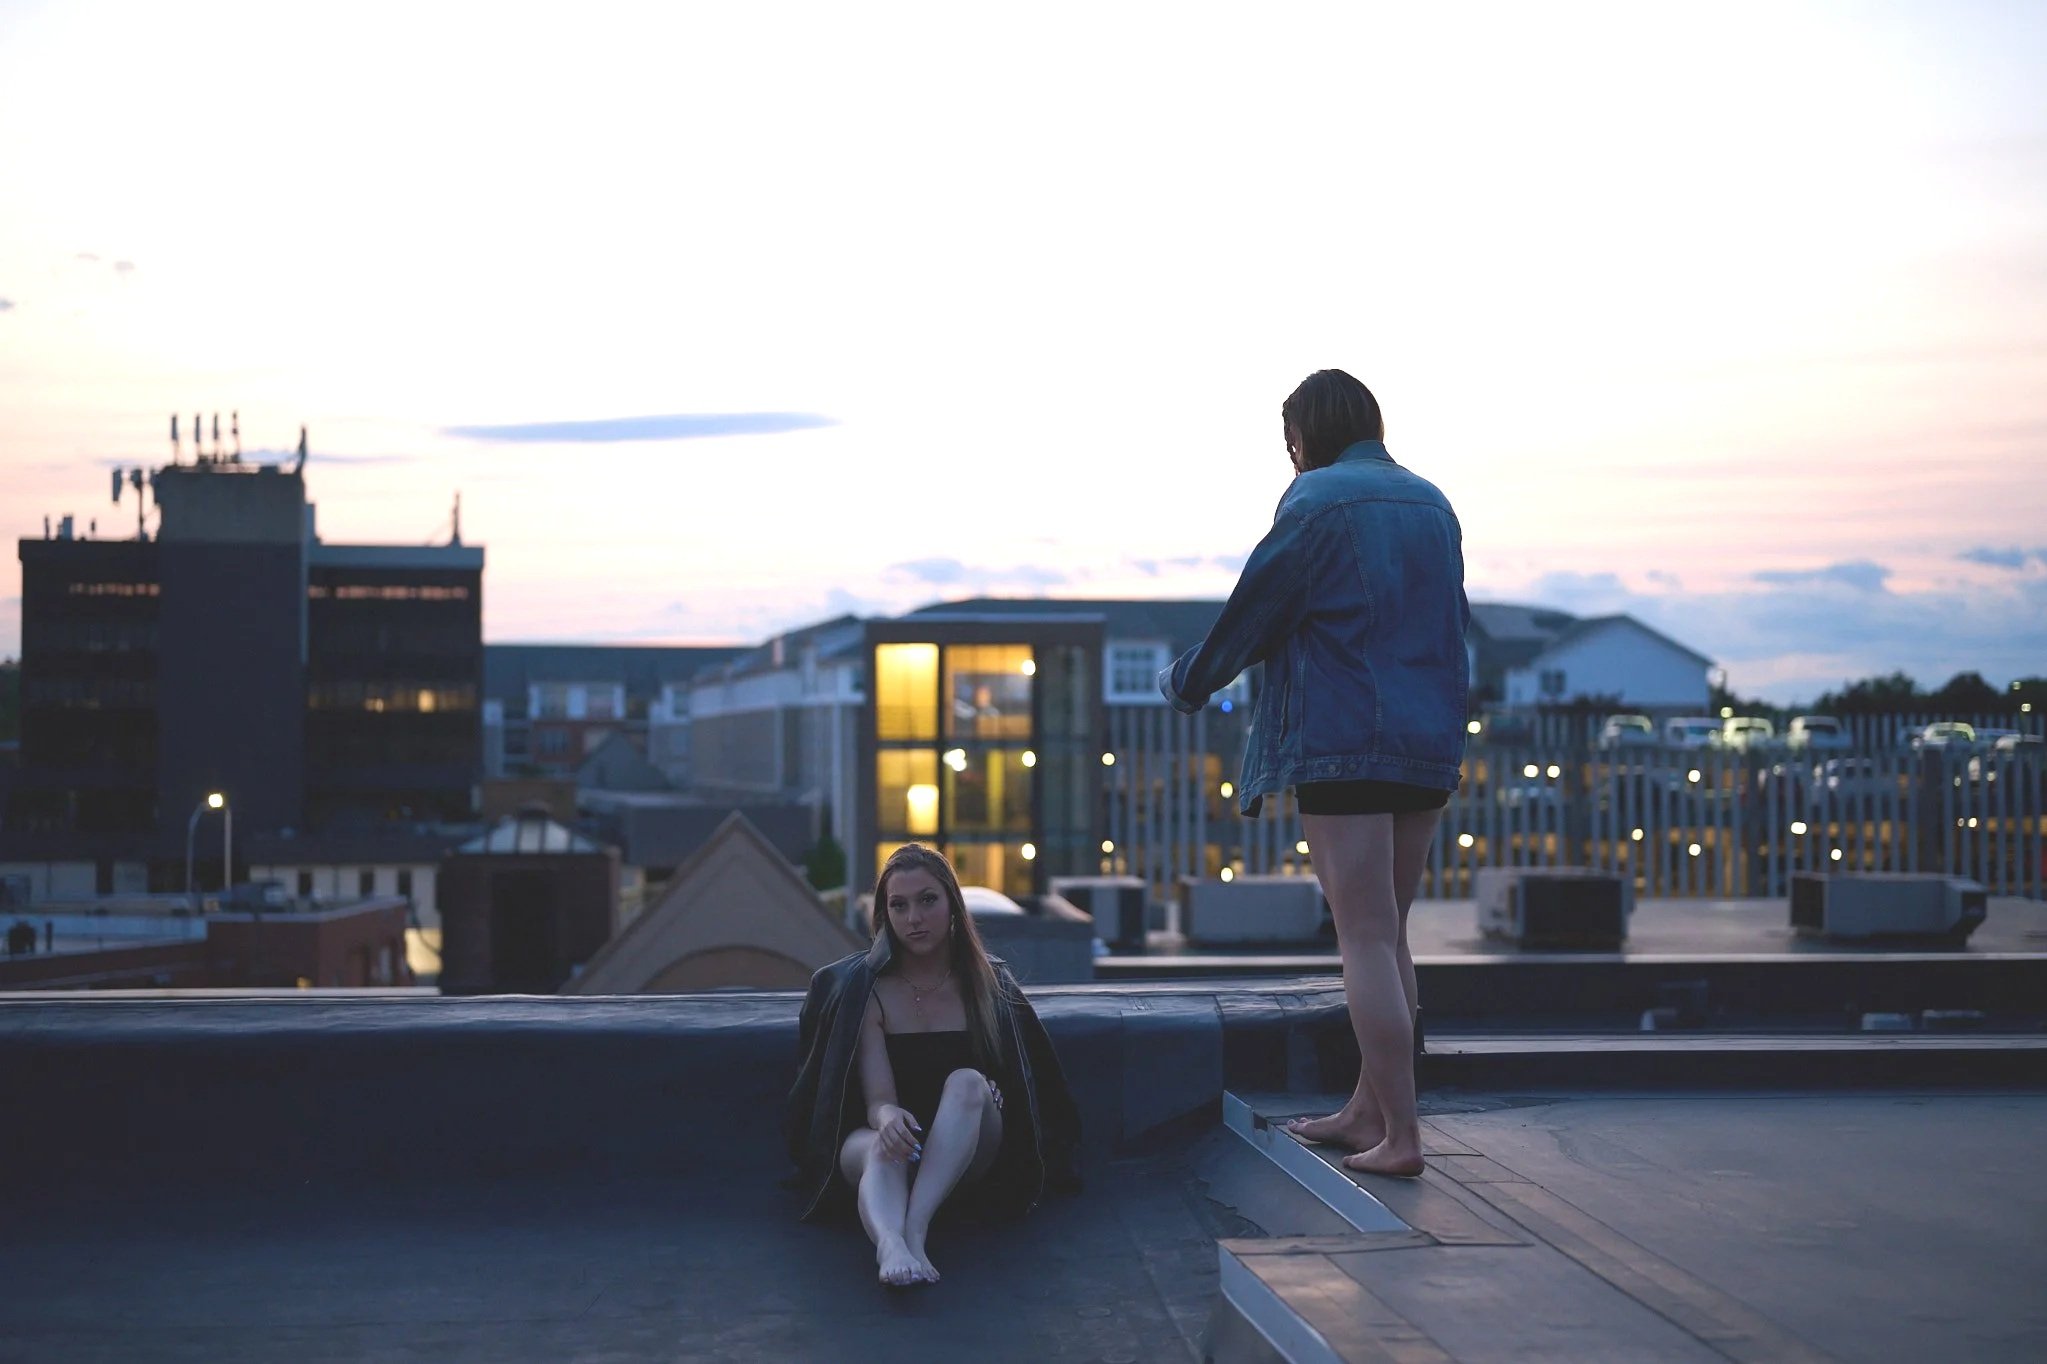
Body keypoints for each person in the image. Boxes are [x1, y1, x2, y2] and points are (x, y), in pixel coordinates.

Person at [1159, 369, 1468, 1177]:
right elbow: (1451, 625)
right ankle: (1368, 1110)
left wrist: (1188, 680)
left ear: (1307, 434)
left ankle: (1401, 1137)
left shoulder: (1316, 501)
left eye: (1289, 437)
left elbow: (1257, 611)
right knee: (1389, 932)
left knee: (1359, 934)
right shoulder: (1432, 503)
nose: (1289, 453)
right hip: (1425, 738)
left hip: (1343, 738)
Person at [784, 844, 1081, 1287]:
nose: (914, 919)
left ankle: (916, 1229)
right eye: (899, 906)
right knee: (881, 1145)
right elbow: (878, 1098)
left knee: (966, 1082)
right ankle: (891, 1245)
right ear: (885, 916)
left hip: (965, 1152)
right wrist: (888, 1118)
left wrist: (985, 1091)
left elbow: (1019, 1084)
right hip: (892, 1149)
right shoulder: (868, 990)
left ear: (952, 905)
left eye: (927, 900)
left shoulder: (987, 985)